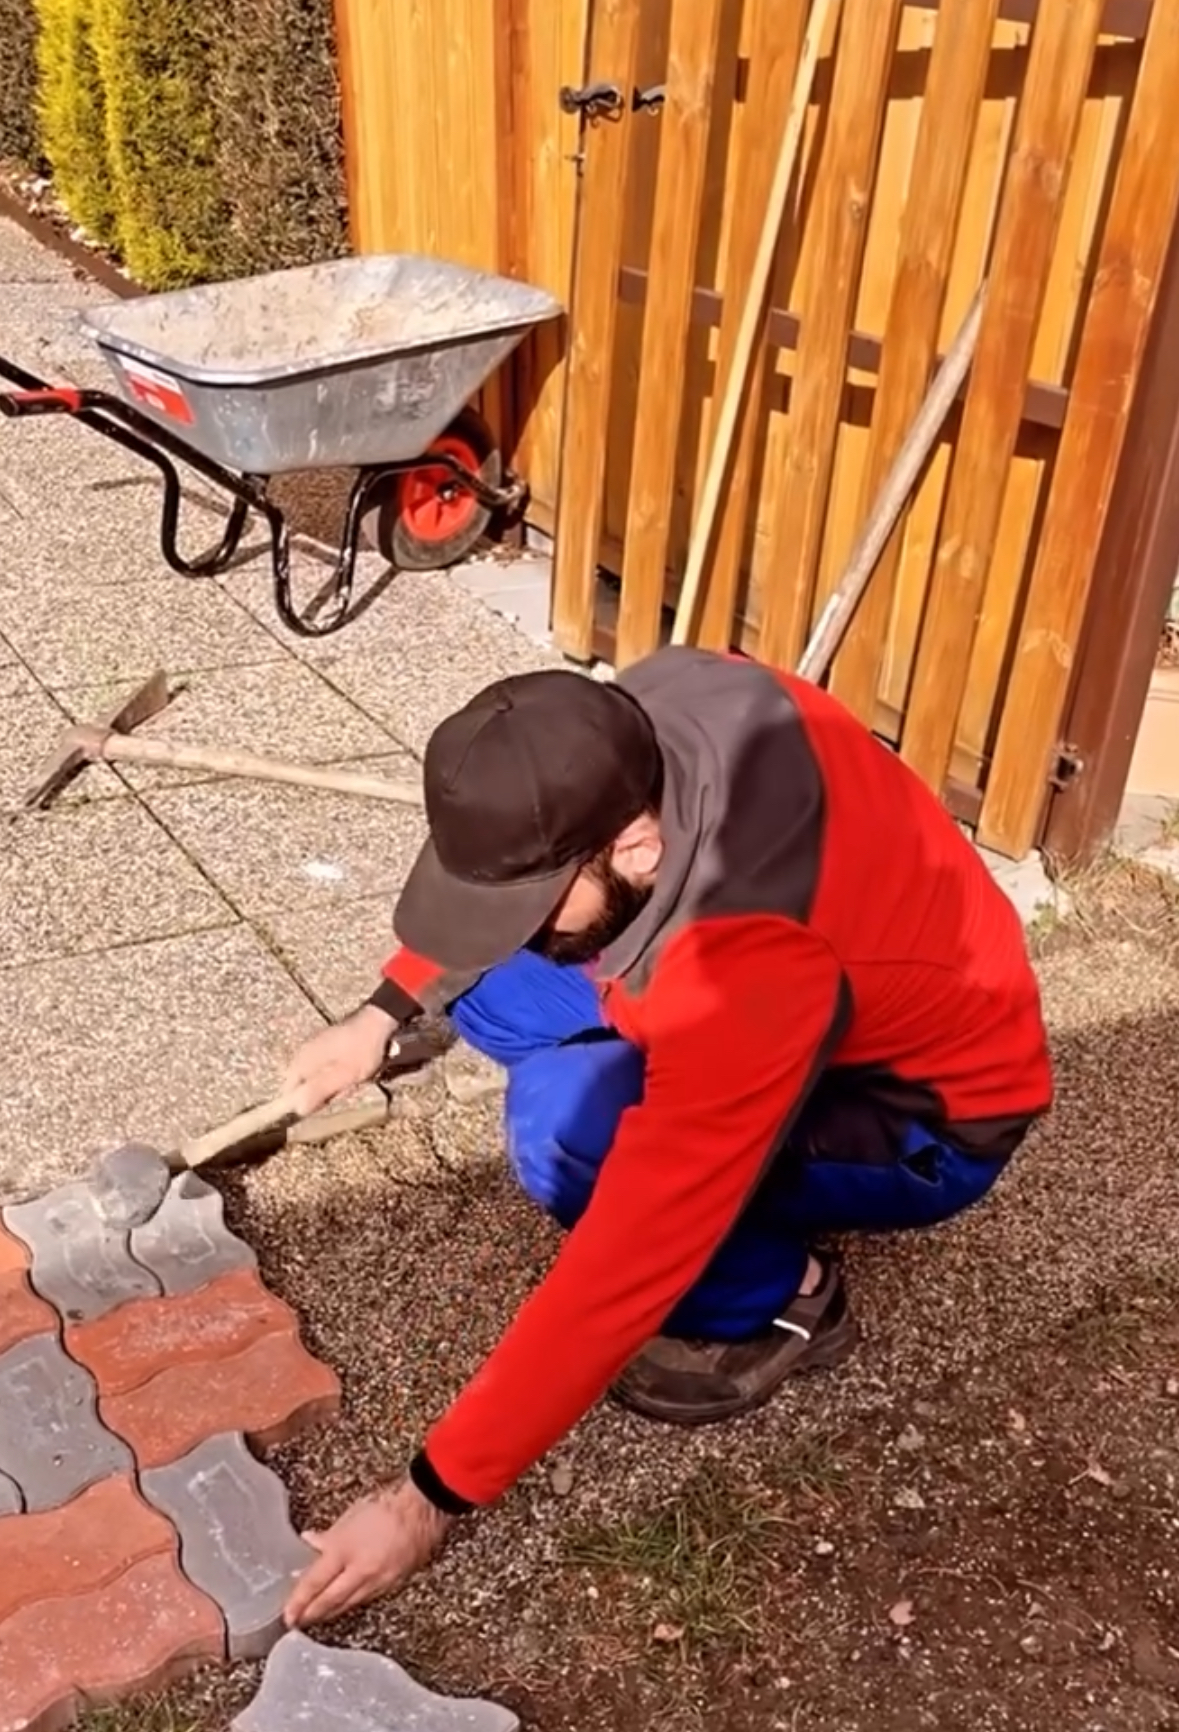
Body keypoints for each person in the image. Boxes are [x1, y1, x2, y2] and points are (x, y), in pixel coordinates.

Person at [280, 645, 1053, 1628]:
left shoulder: (744, 961)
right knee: (488, 995)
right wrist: (381, 1011)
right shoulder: (653, 708)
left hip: (923, 1114)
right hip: (811, 978)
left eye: (528, 903)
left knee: (567, 1132)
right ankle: (648, 1068)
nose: (517, 926)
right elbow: (502, 873)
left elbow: (631, 1256)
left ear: (639, 845)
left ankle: (790, 1296)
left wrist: (426, 1498)